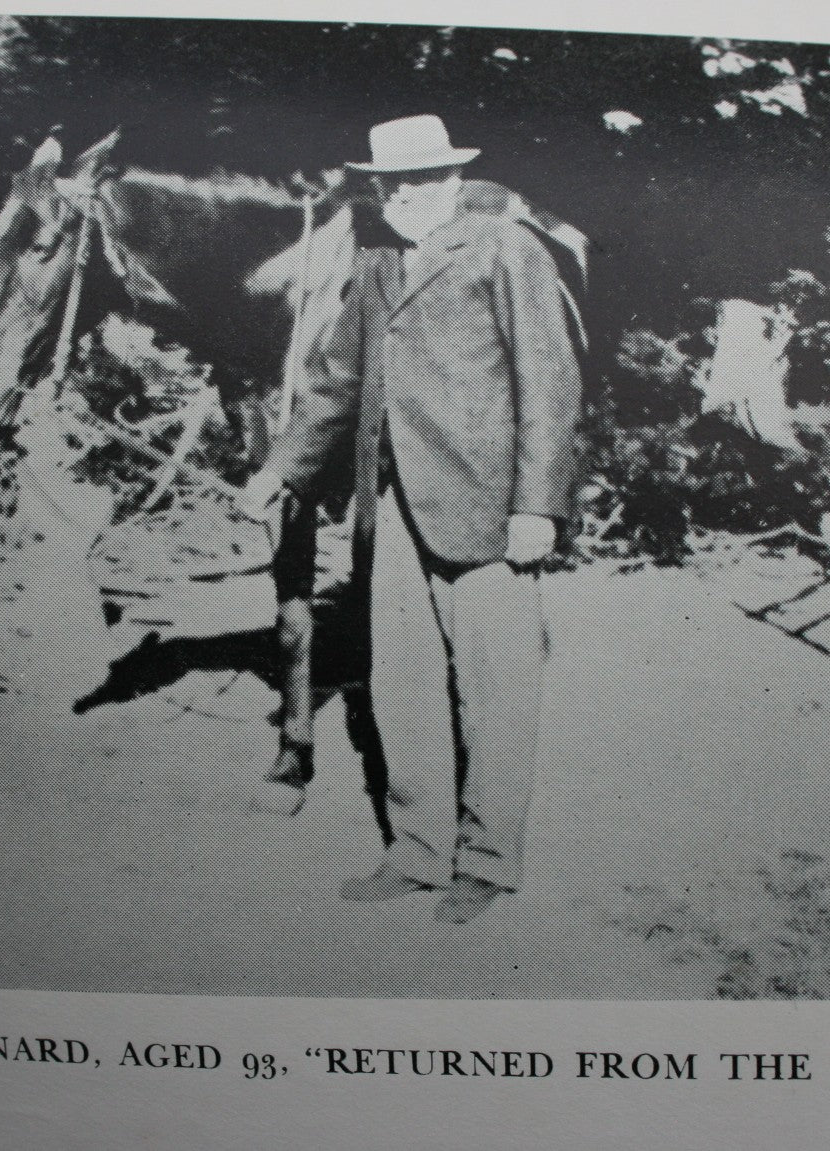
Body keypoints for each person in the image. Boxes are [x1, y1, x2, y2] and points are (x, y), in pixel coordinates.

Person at [241, 114, 584, 923]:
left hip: (488, 506)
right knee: (401, 683)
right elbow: (335, 381)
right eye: (390, 182)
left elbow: (549, 384)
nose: (402, 194)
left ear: (452, 180)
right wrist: (279, 468)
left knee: (494, 691)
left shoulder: (506, 249)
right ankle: (418, 848)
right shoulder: (378, 261)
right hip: (392, 504)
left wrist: (536, 506)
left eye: (419, 179)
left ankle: (487, 859)